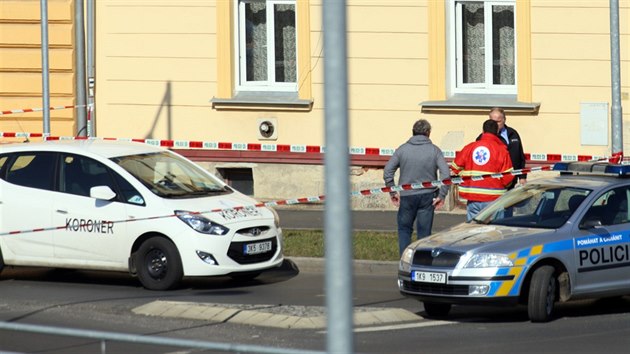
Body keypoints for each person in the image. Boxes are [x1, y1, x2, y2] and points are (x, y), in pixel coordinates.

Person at [383, 119, 451, 256]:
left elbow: (388, 171)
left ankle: (404, 260)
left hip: (407, 196)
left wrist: (392, 191)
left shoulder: (402, 149)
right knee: (424, 233)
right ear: (428, 133)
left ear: (413, 132)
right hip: (428, 196)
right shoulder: (435, 150)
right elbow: (446, 173)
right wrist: (441, 195)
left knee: (404, 229)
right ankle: (421, 261)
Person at [452, 119, 514, 221]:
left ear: (483, 131)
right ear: (497, 132)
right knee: (494, 232)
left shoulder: (470, 147)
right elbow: (508, 177)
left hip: (473, 198)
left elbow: (455, 168)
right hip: (494, 199)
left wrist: (465, 175)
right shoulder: (501, 150)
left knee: (473, 232)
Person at [487, 107, 527, 189]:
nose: (495, 124)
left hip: (512, 178)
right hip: (494, 180)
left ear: (504, 119)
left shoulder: (513, 133)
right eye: (493, 122)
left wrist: (522, 176)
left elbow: (520, 156)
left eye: (498, 121)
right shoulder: (485, 137)